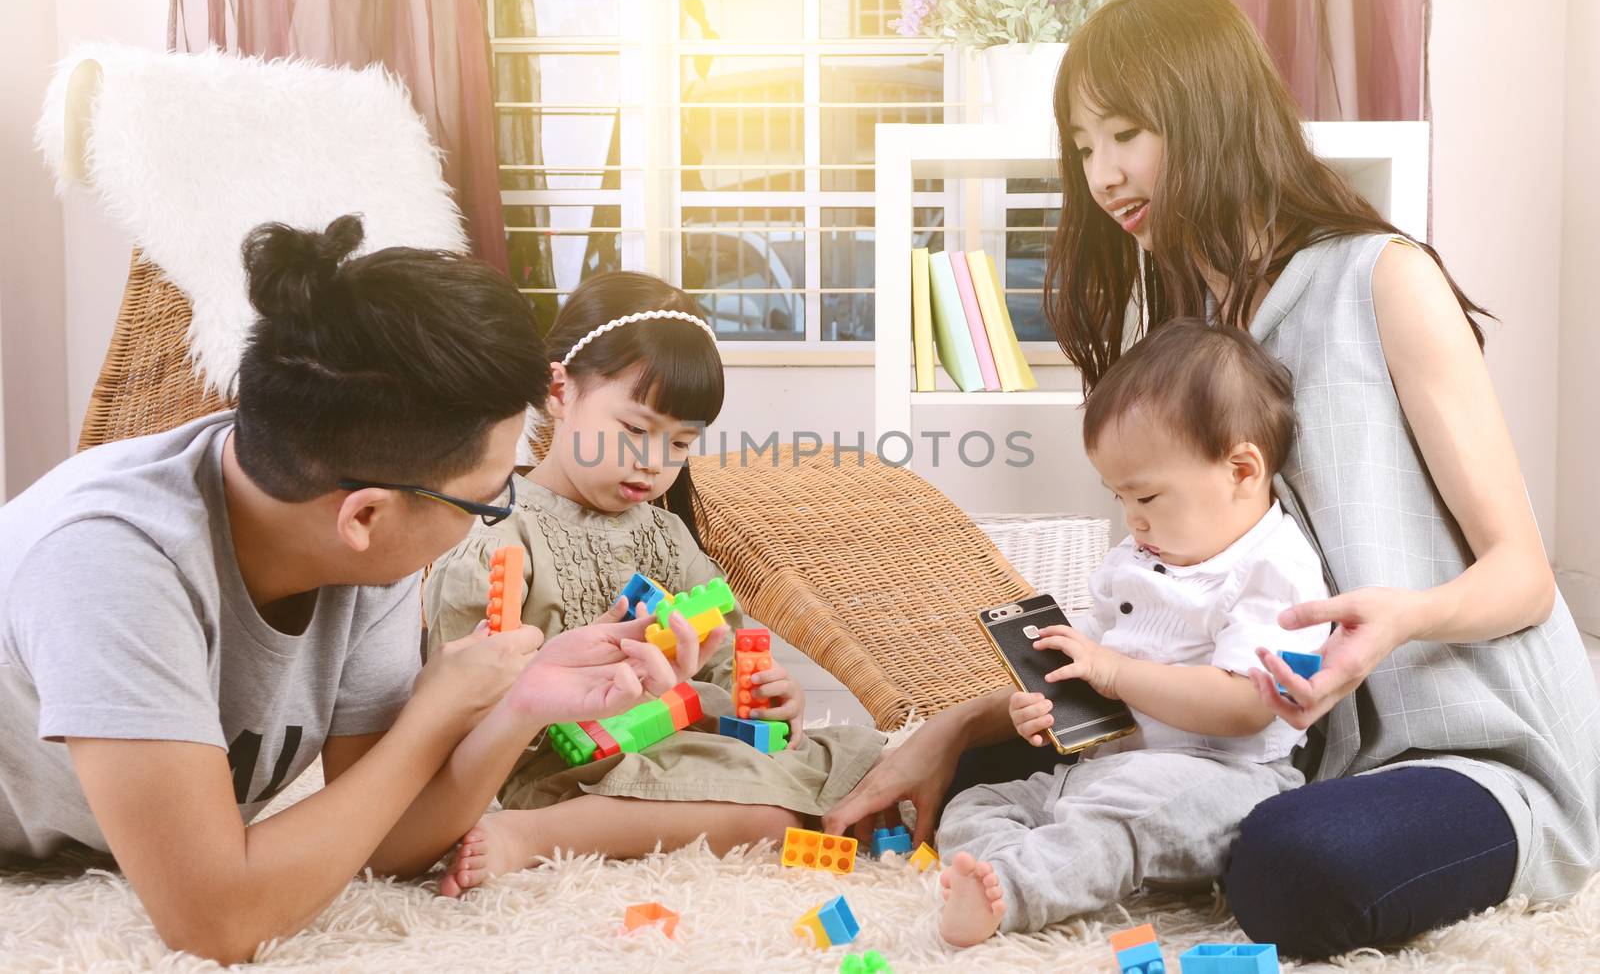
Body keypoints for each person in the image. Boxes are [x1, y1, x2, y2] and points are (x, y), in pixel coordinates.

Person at [825, 0, 1600, 957]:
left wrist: (1397, 617)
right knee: (1005, 771)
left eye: (1125, 134)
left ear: (1209, 109)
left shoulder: (1384, 278)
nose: (1104, 176)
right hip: (1279, 743)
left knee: (1291, 871)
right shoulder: (1192, 343)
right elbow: (1173, 625)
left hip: (1468, 749)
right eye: (1082, 148)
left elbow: (1521, 575)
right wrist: (958, 726)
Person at [0, 216, 701, 964]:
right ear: (365, 515)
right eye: (487, 501)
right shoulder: (110, 560)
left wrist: (523, 699)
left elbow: (387, 841)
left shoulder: (361, 545)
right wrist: (431, 716)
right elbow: (217, 923)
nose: (486, 525)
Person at [422, 271, 885, 896]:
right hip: (565, 768)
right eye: (636, 430)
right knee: (774, 815)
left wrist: (774, 700)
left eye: (681, 443)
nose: (653, 461)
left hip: (682, 742)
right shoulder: (502, 535)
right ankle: (529, 836)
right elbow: (458, 705)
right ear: (560, 389)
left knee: (859, 759)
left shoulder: (666, 537)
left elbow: (728, 661)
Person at [937, 318, 1330, 946]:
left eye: (1146, 496)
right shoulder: (1139, 557)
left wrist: (1114, 672)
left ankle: (1013, 894)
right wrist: (1048, 699)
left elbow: (1246, 707)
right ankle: (990, 868)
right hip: (1100, 765)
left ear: (1241, 471)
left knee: (1117, 816)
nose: (1132, 518)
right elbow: (1095, 644)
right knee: (978, 802)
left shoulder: (1274, 569)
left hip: (1213, 780)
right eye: (1120, 497)